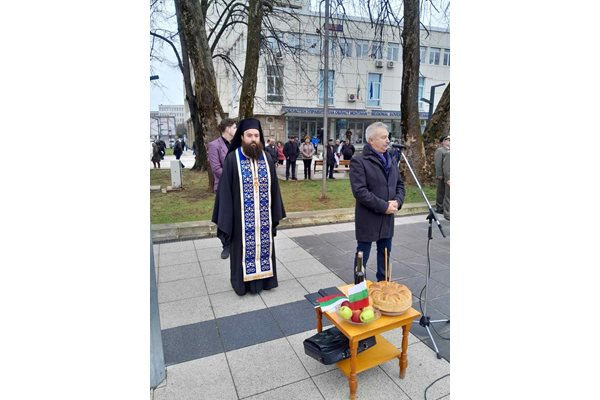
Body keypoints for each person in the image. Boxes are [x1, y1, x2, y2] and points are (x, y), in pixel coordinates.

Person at [211, 118, 286, 296]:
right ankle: (242, 285)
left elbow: (274, 188)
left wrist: (275, 214)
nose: (253, 139)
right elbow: (225, 192)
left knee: (265, 247)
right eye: (249, 135)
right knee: (242, 252)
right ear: (242, 137)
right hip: (241, 221)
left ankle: (266, 282)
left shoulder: (267, 158)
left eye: (256, 135)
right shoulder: (232, 159)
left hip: (264, 221)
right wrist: (227, 219)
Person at [349, 122, 405, 282]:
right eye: (383, 137)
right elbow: (360, 191)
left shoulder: (392, 160)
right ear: (371, 140)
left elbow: (399, 184)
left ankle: (384, 287)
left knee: (385, 254)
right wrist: (384, 206)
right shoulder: (359, 161)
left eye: (388, 137)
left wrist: (398, 202)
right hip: (368, 217)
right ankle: (359, 288)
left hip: (387, 218)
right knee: (362, 255)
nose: (388, 140)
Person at [207, 118, 237, 259]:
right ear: (228, 128)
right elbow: (216, 168)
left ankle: (235, 240)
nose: (236, 130)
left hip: (237, 187)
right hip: (224, 186)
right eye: (234, 127)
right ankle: (226, 244)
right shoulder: (214, 145)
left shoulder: (236, 145)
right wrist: (231, 179)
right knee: (224, 215)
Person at [434, 135, 450, 214]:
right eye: (447, 140)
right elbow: (438, 163)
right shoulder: (440, 150)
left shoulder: (449, 150)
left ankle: (445, 206)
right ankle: (439, 207)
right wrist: (439, 174)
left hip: (448, 174)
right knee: (441, 191)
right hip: (442, 174)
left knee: (446, 192)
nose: (449, 141)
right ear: (443, 142)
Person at [442, 144, 450, 221]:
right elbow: (446, 168)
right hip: (450, 180)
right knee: (448, 197)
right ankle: (447, 214)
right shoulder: (449, 154)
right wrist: (448, 179)